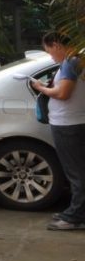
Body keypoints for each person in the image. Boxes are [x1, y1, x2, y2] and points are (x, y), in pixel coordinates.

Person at [33, 32, 85, 230]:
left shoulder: (71, 62)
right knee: (78, 171)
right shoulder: (76, 61)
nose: (51, 56)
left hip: (69, 124)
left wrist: (41, 88)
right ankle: (77, 211)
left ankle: (74, 217)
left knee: (76, 173)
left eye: (49, 51)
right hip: (74, 122)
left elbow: (63, 93)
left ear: (56, 44)